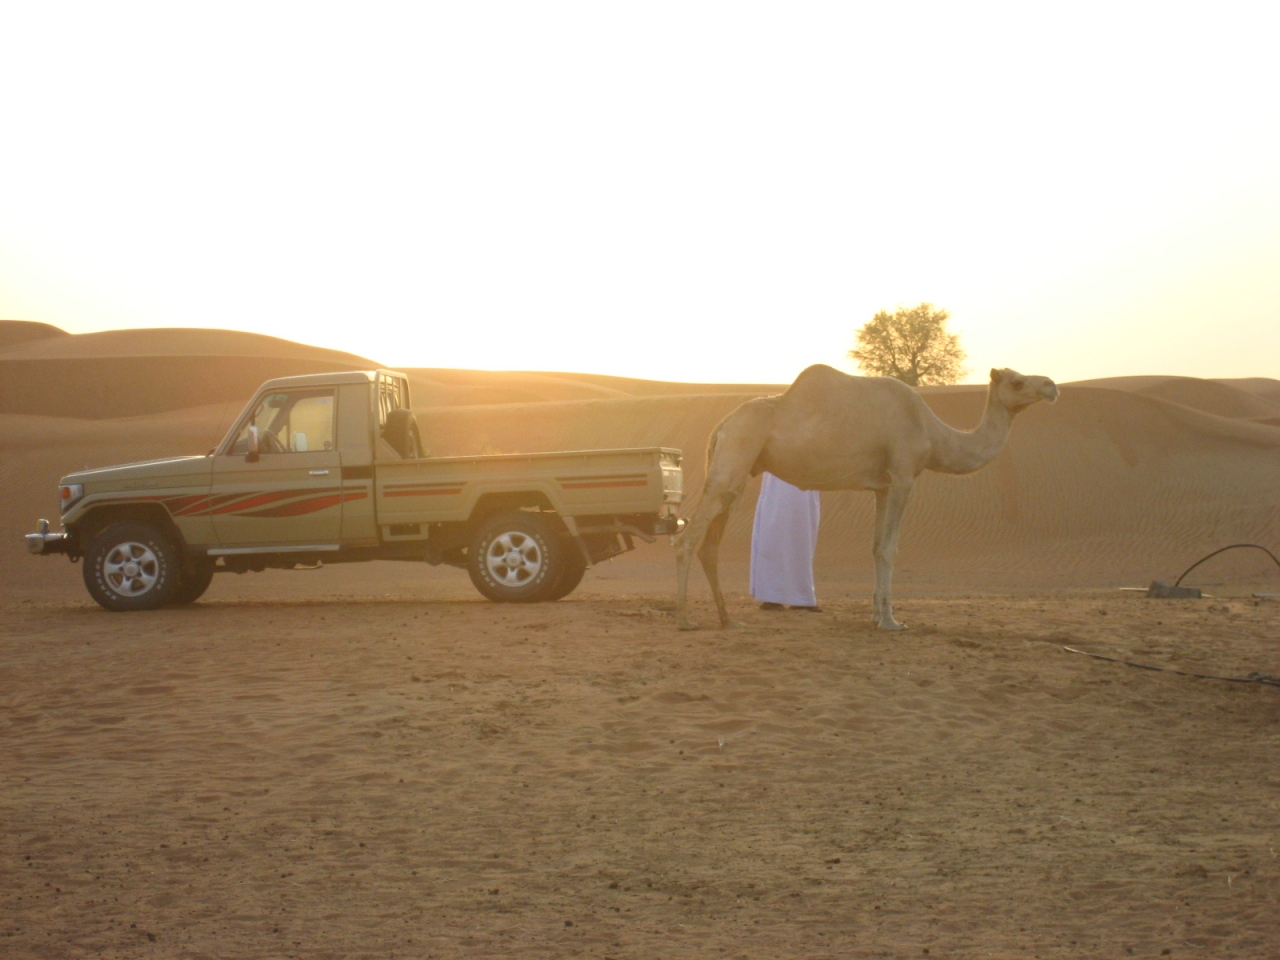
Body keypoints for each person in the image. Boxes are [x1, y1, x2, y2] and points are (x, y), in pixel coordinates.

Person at [750, 472, 821, 611]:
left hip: (808, 474)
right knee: (774, 528)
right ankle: (771, 596)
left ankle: (801, 597)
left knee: (803, 533)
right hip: (778, 475)